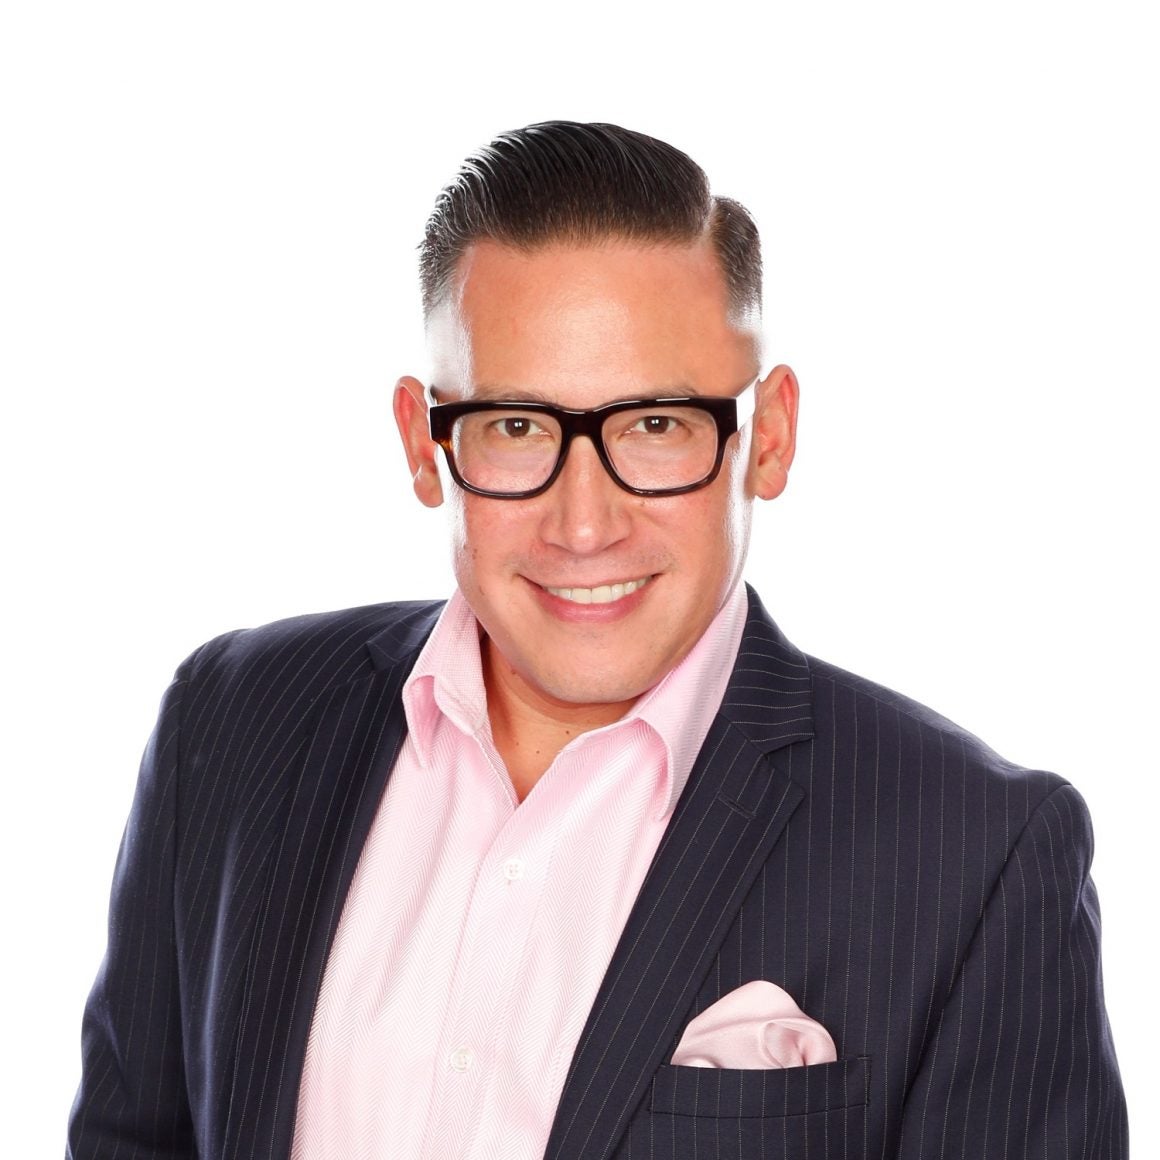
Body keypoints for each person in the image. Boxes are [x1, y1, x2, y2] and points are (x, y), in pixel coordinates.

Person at [67, 121, 1127, 1159]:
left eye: (656, 425)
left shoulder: (972, 854)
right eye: (516, 426)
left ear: (768, 436)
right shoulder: (233, 721)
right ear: (423, 444)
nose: (583, 525)